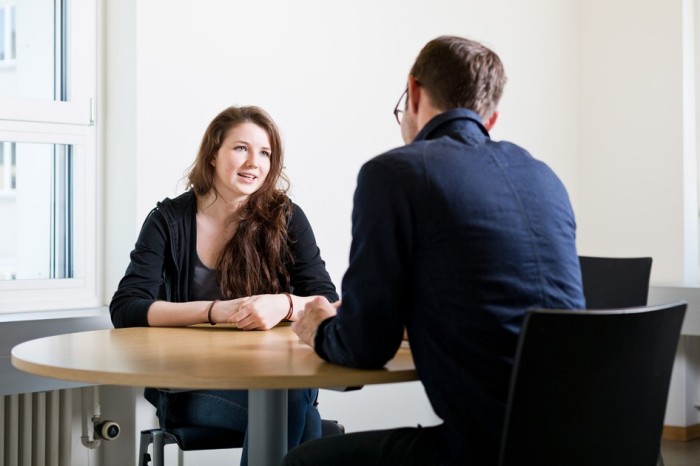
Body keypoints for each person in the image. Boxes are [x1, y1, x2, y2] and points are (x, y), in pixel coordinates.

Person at [284, 35, 585, 466]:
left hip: (484, 450)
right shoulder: (544, 178)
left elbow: (365, 347)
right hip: (587, 436)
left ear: (414, 92)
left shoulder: (394, 173)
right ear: (491, 118)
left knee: (299, 462)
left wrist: (318, 328)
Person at [109, 105, 338, 466]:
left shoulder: (286, 217)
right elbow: (126, 308)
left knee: (293, 405)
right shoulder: (168, 221)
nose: (254, 163)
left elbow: (328, 300)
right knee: (301, 417)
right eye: (241, 148)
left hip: (279, 378)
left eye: (265, 153)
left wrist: (286, 304)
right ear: (213, 154)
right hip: (192, 385)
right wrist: (217, 311)